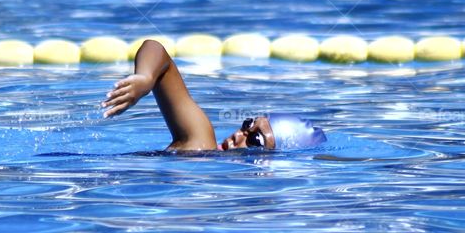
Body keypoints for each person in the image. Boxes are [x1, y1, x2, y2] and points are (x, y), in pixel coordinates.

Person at [103, 39, 326, 152]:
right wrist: (145, 78)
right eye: (248, 124)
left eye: (255, 140)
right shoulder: (200, 141)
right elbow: (156, 50)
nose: (239, 135)